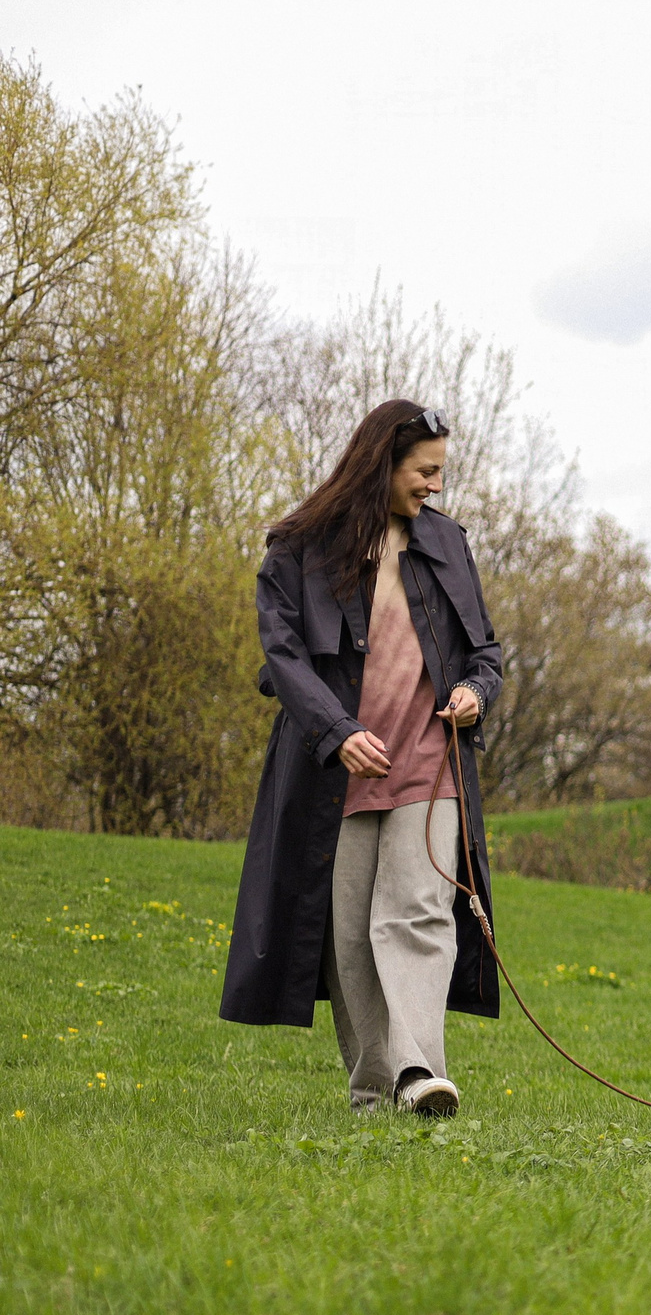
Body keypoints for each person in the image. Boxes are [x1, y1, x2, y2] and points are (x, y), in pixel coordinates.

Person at [220, 401, 505, 1116]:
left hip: (428, 764)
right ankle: (374, 1089)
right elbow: (282, 657)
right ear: (384, 463)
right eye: (425, 471)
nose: (436, 486)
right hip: (334, 771)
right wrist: (336, 730)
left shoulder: (447, 543)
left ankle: (416, 1073)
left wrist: (474, 689)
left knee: (418, 912)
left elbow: (486, 652)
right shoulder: (298, 547)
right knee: (348, 933)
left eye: (441, 471)